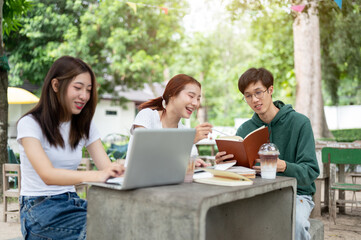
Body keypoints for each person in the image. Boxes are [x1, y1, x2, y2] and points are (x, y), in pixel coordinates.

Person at [17, 56, 124, 240]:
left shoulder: (85, 125)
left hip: (73, 203)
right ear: (56, 85)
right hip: (39, 209)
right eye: (78, 88)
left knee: (126, 219)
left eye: (88, 90)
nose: (84, 96)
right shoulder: (30, 123)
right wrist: (96, 176)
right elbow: (47, 175)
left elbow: (106, 168)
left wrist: (118, 170)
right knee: (101, 229)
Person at [215, 67, 320, 240]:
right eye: (248, 95)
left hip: (297, 194)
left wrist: (283, 166)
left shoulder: (300, 123)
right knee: (227, 218)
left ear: (270, 90)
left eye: (258, 92)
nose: (254, 99)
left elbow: (310, 172)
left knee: (296, 224)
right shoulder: (245, 129)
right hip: (257, 194)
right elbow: (239, 172)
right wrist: (224, 164)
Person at [125, 74, 213, 167]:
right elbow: (145, 157)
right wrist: (188, 140)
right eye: (191, 96)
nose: (195, 103)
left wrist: (191, 163)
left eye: (198, 99)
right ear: (172, 94)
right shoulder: (147, 116)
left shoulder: (184, 131)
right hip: (137, 180)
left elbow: (172, 164)